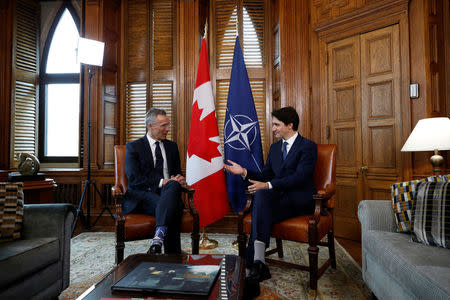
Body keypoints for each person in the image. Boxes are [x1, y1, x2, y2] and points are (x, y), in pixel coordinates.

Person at [224, 106, 317, 287]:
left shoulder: (308, 146)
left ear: (290, 125)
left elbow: (300, 177)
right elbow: (266, 175)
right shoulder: (275, 148)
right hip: (279, 199)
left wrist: (267, 185)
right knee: (262, 198)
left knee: (262, 200)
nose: (272, 128)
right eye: (273, 124)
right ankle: (260, 263)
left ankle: (251, 261)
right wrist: (243, 172)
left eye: (276, 124)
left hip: (299, 201)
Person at [123, 107, 186, 254]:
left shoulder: (172, 146)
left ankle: (158, 240)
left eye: (168, 125)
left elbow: (177, 173)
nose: (168, 129)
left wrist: (179, 179)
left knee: (172, 188)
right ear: (150, 126)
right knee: (172, 206)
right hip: (143, 196)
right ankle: (173, 254)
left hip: (169, 191)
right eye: (164, 125)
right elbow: (134, 179)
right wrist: (162, 182)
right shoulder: (134, 147)